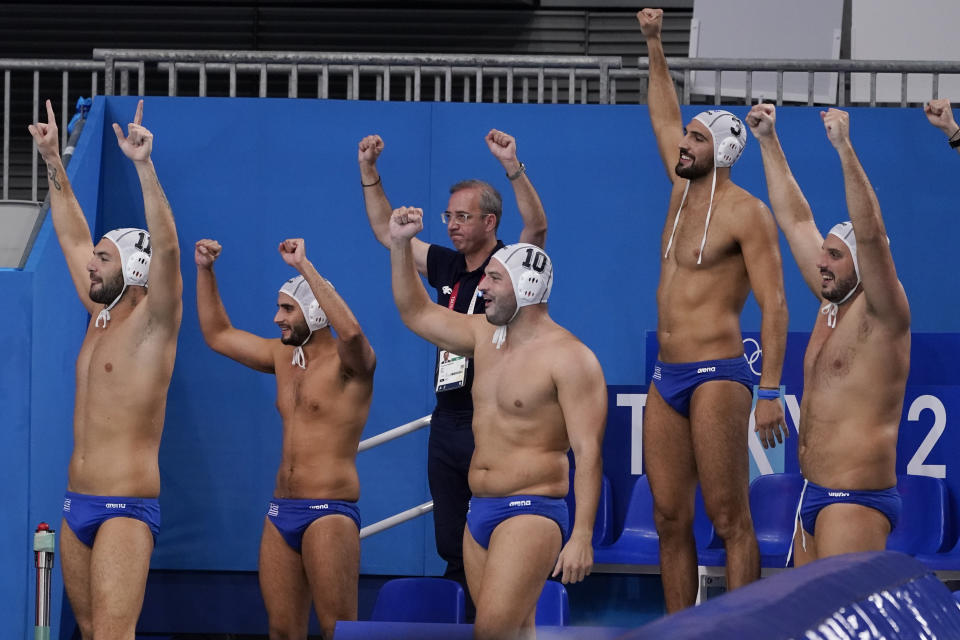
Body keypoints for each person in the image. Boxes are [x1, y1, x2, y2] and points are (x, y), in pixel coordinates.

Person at [388, 206, 605, 639]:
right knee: (513, 633)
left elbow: (589, 452)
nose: (481, 287)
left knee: (489, 632)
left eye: (493, 278)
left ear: (525, 287)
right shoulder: (483, 337)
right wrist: (398, 245)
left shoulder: (570, 357)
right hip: (479, 510)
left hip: (531, 511)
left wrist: (582, 534)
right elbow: (416, 314)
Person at [636, 8, 789, 612]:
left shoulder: (747, 212)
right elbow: (661, 111)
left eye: (697, 137)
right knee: (670, 516)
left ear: (723, 150)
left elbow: (775, 305)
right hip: (667, 375)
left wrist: (771, 388)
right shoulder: (679, 194)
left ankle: (740, 629)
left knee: (730, 517)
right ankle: (681, 629)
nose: (684, 142)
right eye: (687, 135)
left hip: (718, 374)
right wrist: (654, 43)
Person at [357, 129, 548, 606]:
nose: (451, 225)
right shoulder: (446, 265)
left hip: (495, 418)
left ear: (490, 221)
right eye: (448, 216)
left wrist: (513, 167)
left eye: (462, 217)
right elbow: (387, 234)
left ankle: (499, 614)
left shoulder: (510, 266)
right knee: (450, 538)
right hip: (448, 418)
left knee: (489, 532)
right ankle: (465, 611)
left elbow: (538, 229)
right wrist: (369, 174)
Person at [28, 99, 182, 638]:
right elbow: (70, 236)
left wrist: (144, 165)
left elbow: (166, 248)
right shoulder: (100, 315)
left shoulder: (154, 324)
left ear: (135, 273)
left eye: (104, 258)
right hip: (76, 505)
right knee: (90, 632)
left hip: (124, 507)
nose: (91, 262)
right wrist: (53, 161)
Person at [747, 104, 910, 565]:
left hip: (855, 500)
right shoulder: (830, 302)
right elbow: (795, 220)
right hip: (814, 494)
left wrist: (843, 148)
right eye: (825, 254)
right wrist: (768, 142)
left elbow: (872, 235)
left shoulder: (884, 310)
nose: (822, 262)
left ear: (862, 265)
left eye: (835, 256)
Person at [195, 237, 375, 639]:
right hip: (281, 513)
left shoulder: (351, 366)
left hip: (329, 511)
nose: (277, 317)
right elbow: (218, 334)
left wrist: (305, 268)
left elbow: (352, 334)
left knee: (338, 630)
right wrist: (205, 271)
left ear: (314, 309)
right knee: (281, 630)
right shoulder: (282, 358)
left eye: (287, 308)